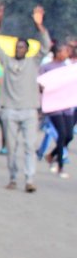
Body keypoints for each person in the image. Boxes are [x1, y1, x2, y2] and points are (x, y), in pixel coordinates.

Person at [0, 4, 51, 192]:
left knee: (29, 147)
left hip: (29, 110)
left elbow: (47, 45)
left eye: (23, 47)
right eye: (18, 47)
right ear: (14, 49)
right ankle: (13, 178)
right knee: (12, 147)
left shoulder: (33, 62)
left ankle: (30, 179)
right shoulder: (7, 61)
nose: (20, 49)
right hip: (9, 109)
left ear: (27, 49)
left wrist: (39, 25)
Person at [38, 43, 74, 179]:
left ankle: (51, 155)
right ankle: (60, 166)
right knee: (62, 134)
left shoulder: (67, 67)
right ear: (57, 52)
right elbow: (41, 86)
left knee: (69, 135)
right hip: (53, 106)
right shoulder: (46, 68)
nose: (66, 54)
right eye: (64, 51)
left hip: (66, 104)